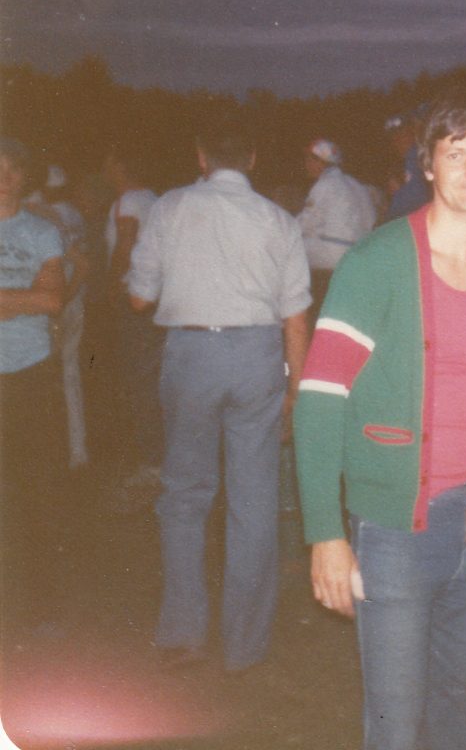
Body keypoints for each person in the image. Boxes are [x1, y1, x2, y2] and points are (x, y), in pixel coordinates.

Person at [294, 97, 466, 750]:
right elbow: (319, 398)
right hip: (397, 529)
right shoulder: (376, 263)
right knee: (394, 725)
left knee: (464, 717)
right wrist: (325, 533)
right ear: (427, 166)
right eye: (453, 153)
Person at [127, 111, 311, 672]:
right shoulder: (279, 218)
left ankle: (183, 631)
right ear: (251, 159)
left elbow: (139, 299)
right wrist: (295, 390)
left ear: (202, 156)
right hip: (258, 354)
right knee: (253, 499)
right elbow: (296, 315)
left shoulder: (170, 208)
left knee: (185, 494)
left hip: (192, 354)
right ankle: (244, 646)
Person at [0, 138, 66, 633]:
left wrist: (26, 299)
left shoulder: (43, 232)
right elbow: (37, 297)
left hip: (30, 372)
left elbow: (52, 302)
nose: (4, 177)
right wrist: (26, 295)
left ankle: (43, 606)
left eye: (12, 169)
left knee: (35, 489)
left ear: (25, 176)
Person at [103, 143, 164, 493]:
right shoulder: (154, 199)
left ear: (121, 166)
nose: (105, 170)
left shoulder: (128, 202)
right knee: (153, 380)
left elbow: (125, 245)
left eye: (109, 164)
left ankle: (151, 462)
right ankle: (157, 455)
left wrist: (112, 285)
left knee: (139, 381)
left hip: (134, 298)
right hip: (156, 300)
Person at [28, 165, 91, 468]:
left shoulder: (36, 216)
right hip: (70, 302)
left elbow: (79, 264)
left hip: (50, 307)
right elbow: (82, 263)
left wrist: (58, 302)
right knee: (68, 375)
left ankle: (46, 454)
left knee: (40, 379)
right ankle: (76, 451)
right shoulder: (67, 214)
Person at [298, 138, 377, 313]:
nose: (306, 164)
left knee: (291, 247)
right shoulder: (357, 185)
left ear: (321, 162)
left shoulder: (325, 184)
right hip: (358, 259)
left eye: (310, 159)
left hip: (330, 260)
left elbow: (305, 223)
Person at [383, 110, 430, 220]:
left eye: (403, 134)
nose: (397, 140)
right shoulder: (399, 165)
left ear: (414, 133)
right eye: (393, 137)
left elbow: (410, 202)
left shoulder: (417, 158)